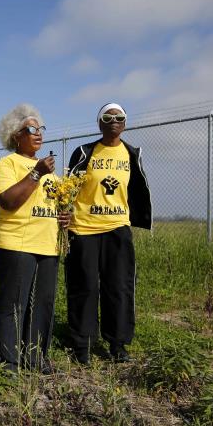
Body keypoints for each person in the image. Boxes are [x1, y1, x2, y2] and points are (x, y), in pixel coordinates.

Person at [65, 103, 152, 363]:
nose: (113, 120)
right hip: (84, 229)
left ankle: (118, 344)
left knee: (119, 287)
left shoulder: (132, 153)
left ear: (125, 123)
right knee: (85, 287)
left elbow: (137, 189)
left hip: (117, 230)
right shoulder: (84, 152)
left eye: (119, 117)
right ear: (99, 123)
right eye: (107, 117)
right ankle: (82, 345)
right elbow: (69, 188)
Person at [0, 104, 70, 374]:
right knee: (14, 303)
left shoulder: (53, 174)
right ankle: (8, 361)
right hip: (17, 244)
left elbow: (57, 207)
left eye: (40, 129)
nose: (38, 134)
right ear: (16, 136)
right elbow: (8, 201)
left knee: (42, 304)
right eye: (31, 129)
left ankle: (35, 357)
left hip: (48, 246)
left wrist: (65, 217)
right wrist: (36, 173)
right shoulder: (8, 164)